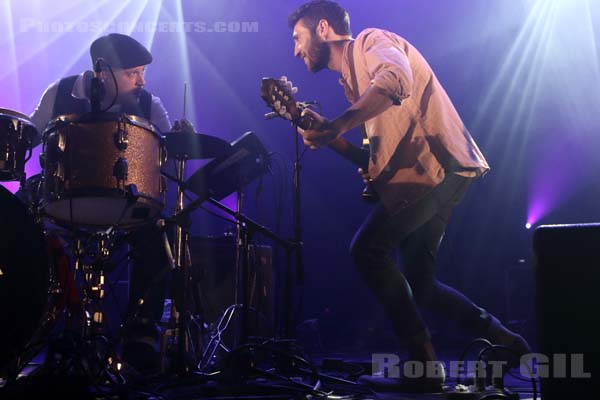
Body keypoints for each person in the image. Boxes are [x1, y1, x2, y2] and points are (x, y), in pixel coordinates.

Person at [287, 0, 529, 391]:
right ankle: (505, 341)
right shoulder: (354, 83)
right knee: (422, 282)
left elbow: (397, 79)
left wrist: (338, 124)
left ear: (324, 29)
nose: (295, 50)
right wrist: (332, 138)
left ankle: (423, 363)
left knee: (367, 250)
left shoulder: (370, 42)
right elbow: (374, 160)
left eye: (298, 39)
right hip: (434, 174)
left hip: (433, 168)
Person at [30, 33, 174, 374]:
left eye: (142, 72)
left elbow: (170, 150)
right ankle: (26, 325)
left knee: (158, 235)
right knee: (19, 227)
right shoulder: (60, 92)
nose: (142, 80)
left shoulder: (150, 104)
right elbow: (30, 132)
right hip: (62, 201)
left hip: (126, 206)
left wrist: (183, 138)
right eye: (133, 73)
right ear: (102, 71)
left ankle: (141, 334)